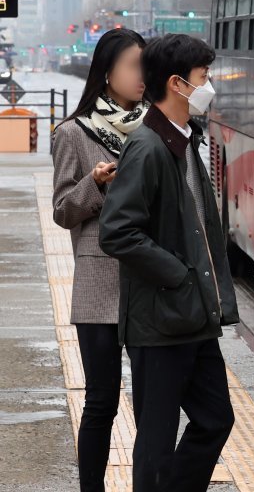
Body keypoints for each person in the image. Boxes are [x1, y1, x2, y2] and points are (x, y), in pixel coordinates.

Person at [98, 34, 240, 492]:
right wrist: (178, 274)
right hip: (160, 322)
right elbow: (117, 231)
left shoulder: (185, 140)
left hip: (193, 317)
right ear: (178, 84)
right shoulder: (148, 147)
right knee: (156, 443)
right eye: (204, 77)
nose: (210, 85)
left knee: (216, 418)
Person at [51, 28, 147, 492]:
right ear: (107, 72)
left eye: (145, 66)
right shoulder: (73, 133)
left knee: (153, 402)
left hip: (150, 283)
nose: (141, 76)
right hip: (99, 284)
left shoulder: (155, 130)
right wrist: (95, 183)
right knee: (101, 400)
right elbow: (63, 211)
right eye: (133, 66)